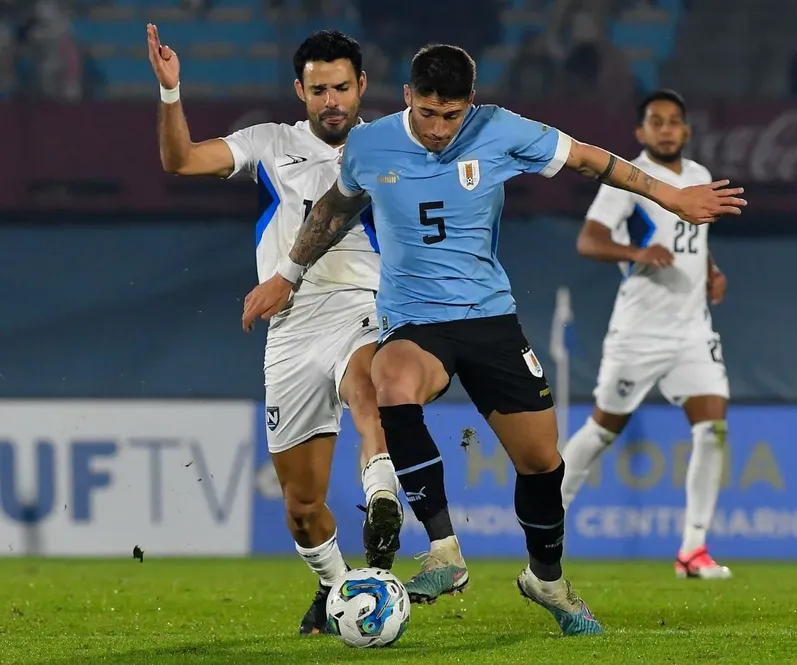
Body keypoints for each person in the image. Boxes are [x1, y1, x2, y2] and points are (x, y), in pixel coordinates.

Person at [242, 45, 746, 636]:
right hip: (413, 321)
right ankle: (443, 551)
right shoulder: (372, 144)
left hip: (489, 320)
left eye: (451, 116)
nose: (438, 129)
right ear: (407, 97)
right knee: (392, 383)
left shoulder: (500, 130)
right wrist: (289, 274)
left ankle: (547, 580)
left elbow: (589, 159)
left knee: (541, 461)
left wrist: (672, 195)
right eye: (427, 113)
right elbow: (334, 208)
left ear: (469, 106)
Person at [146, 26, 403, 635]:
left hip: (361, 303)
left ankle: (383, 495)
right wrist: (170, 92)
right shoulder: (270, 144)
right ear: (300, 91)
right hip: (289, 331)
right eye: (319, 90)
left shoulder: (391, 143)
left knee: (368, 388)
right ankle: (339, 588)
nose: (332, 100)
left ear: (362, 85)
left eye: (342, 87)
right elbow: (180, 160)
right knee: (302, 506)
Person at [560, 90, 732, 580]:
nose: (666, 129)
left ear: (687, 130)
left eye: (674, 121)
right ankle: (547, 520)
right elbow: (588, 240)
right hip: (639, 332)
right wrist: (638, 255)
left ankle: (693, 550)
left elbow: (694, 239)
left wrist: (712, 271)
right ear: (641, 132)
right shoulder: (626, 180)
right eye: (656, 121)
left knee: (713, 428)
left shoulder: (698, 177)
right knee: (600, 431)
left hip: (692, 330)